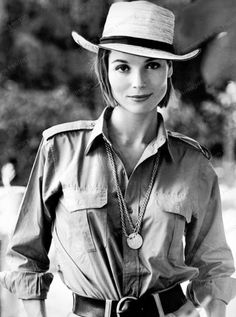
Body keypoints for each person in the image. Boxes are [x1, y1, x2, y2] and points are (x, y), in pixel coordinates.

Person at [0, 1, 236, 317]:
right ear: (106, 70)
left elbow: (214, 266)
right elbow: (24, 255)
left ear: (169, 70)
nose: (138, 82)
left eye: (152, 65)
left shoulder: (193, 163)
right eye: (123, 66)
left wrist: (211, 311)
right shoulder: (61, 149)